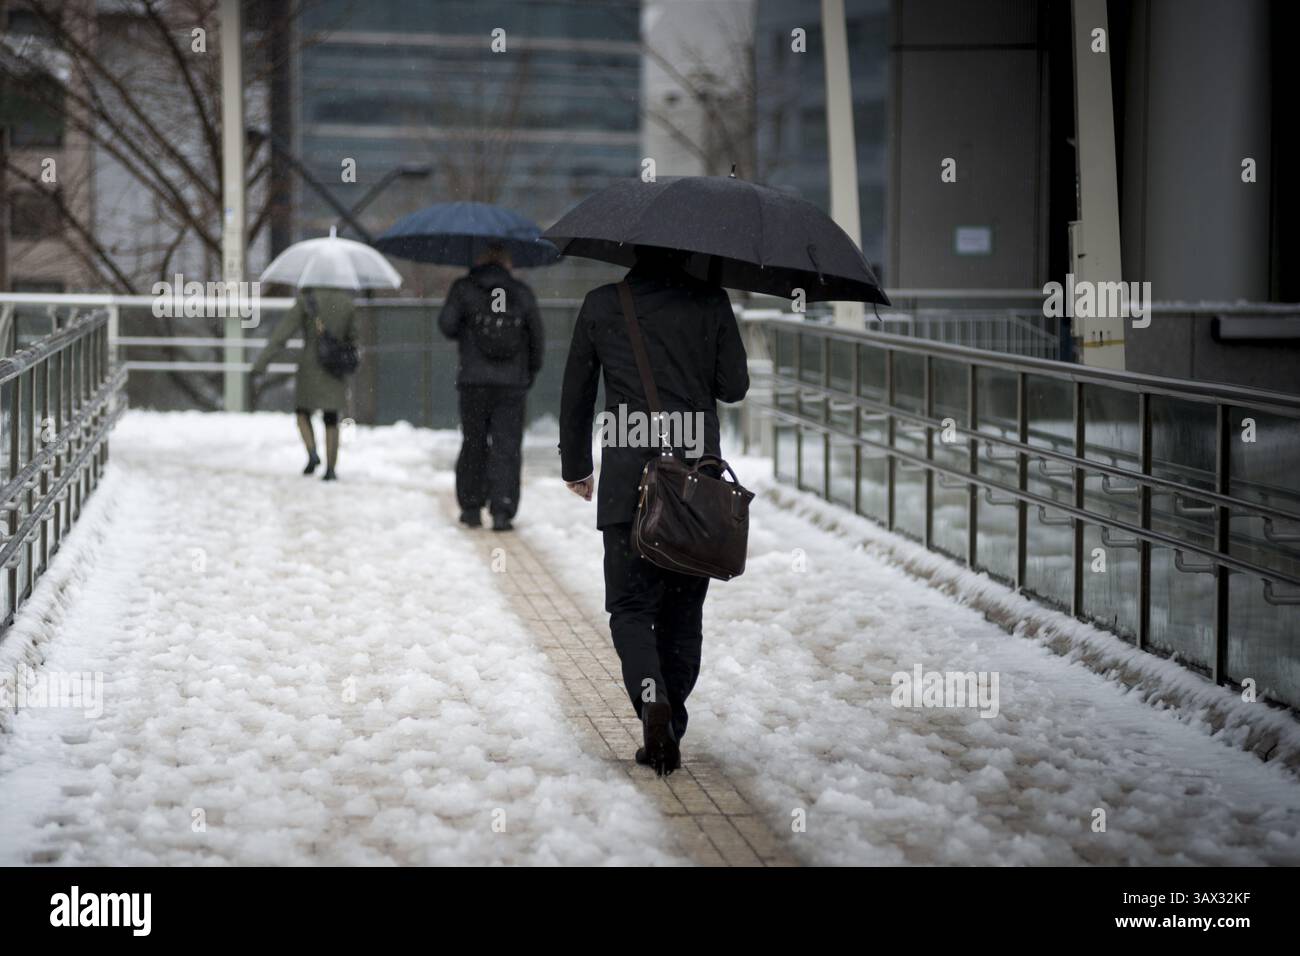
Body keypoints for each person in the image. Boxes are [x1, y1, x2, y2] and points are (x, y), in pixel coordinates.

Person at [559, 245, 749, 775]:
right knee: (683, 615)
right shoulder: (710, 300)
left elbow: (577, 391)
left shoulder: (602, 303)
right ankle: (672, 720)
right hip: (695, 485)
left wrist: (576, 464)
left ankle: (652, 705)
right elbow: (734, 387)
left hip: (628, 483)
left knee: (630, 609)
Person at [438, 244, 544, 531]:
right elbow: (537, 338)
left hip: (474, 381)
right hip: (511, 384)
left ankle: (471, 507)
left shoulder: (464, 288)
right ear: (507, 263)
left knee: (474, 441)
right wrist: (528, 372)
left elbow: (446, 326)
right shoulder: (521, 292)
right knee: (506, 446)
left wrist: (467, 320)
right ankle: (502, 509)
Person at [251, 286, 357, 481]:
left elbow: (281, 335)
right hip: (334, 367)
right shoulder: (347, 303)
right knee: (331, 417)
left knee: (302, 412)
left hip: (310, 365)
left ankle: (312, 452)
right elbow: (354, 338)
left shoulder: (306, 301)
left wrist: (261, 363)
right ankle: (331, 469)